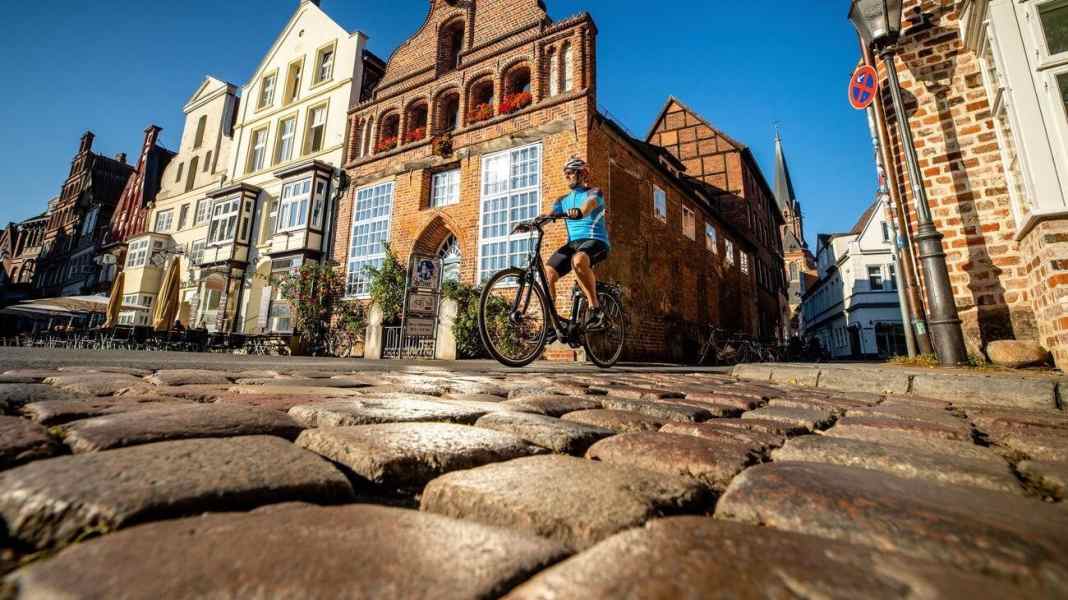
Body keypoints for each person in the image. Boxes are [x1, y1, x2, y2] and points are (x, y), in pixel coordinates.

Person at [541, 156, 610, 338]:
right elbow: (550, 215)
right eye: (566, 173)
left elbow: (588, 206)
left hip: (596, 240)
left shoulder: (594, 192)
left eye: (571, 172)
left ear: (583, 174)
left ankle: (595, 309)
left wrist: (579, 212)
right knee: (547, 274)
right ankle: (552, 323)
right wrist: (534, 223)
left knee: (578, 261)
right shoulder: (562, 200)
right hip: (573, 244)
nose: (567, 176)